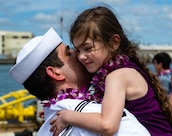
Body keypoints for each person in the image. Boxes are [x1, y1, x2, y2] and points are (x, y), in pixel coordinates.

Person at [50, 6, 172, 136]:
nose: (81, 56)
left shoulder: (117, 77)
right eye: (78, 50)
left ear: (114, 42)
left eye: (88, 48)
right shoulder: (125, 69)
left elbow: (107, 125)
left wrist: (67, 116)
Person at [9, 28, 151, 136]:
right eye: (69, 53)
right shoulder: (91, 115)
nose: (80, 55)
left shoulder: (49, 122)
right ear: (55, 73)